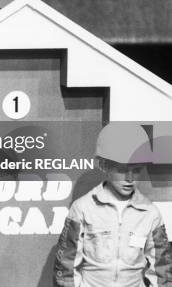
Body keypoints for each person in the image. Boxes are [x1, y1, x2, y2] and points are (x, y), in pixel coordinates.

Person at [53, 123, 172, 287]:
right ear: (104, 166)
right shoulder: (82, 209)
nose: (130, 178)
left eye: (137, 170)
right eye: (122, 170)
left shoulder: (151, 213)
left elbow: (162, 272)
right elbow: (66, 269)